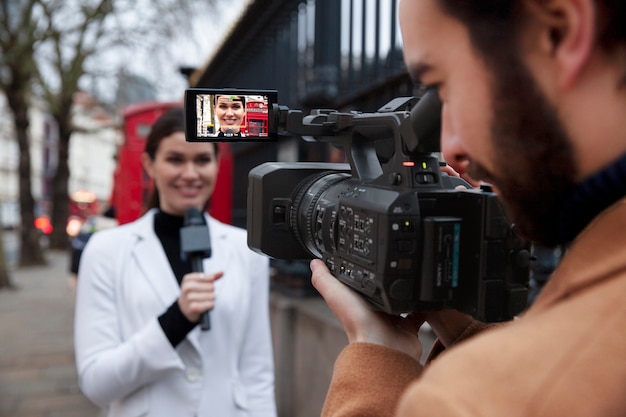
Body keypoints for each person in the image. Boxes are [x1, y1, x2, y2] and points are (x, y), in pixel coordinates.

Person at [310, 1, 626, 416]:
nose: (453, 148)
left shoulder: (470, 401)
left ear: (560, 32)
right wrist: (474, 333)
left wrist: (377, 358)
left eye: (444, 89)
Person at [73, 108, 277, 417]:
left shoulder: (246, 250)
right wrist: (175, 321)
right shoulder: (106, 251)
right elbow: (97, 385)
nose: (191, 174)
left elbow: (256, 371)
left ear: (216, 164)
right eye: (175, 160)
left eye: (202, 160)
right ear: (149, 164)